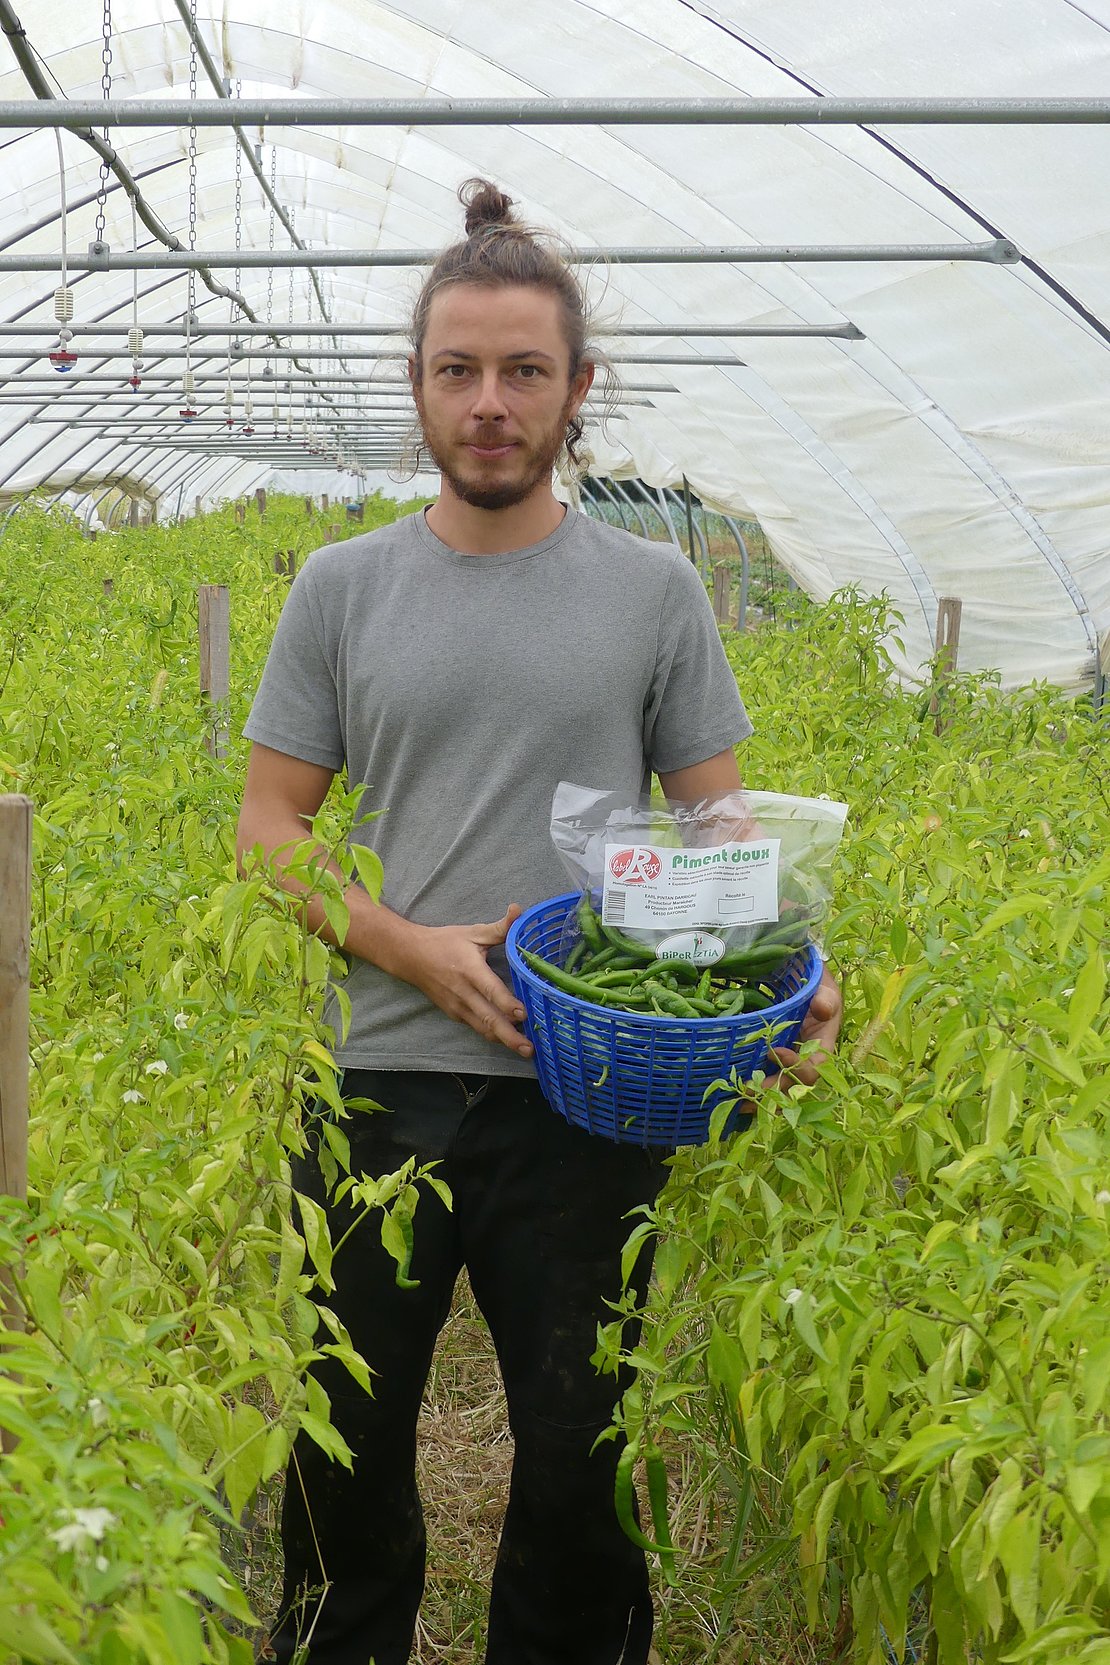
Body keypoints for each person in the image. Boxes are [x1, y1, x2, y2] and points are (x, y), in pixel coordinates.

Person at [237, 178, 843, 1665]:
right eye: (459, 371)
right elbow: (269, 833)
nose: (489, 403)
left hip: (591, 1092)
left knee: (580, 1459)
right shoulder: (341, 587)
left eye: (523, 371)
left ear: (578, 390)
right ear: (419, 387)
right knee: (345, 1452)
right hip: (374, 1079)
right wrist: (413, 949)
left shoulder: (651, 595)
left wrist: (780, 971)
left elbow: (716, 828)